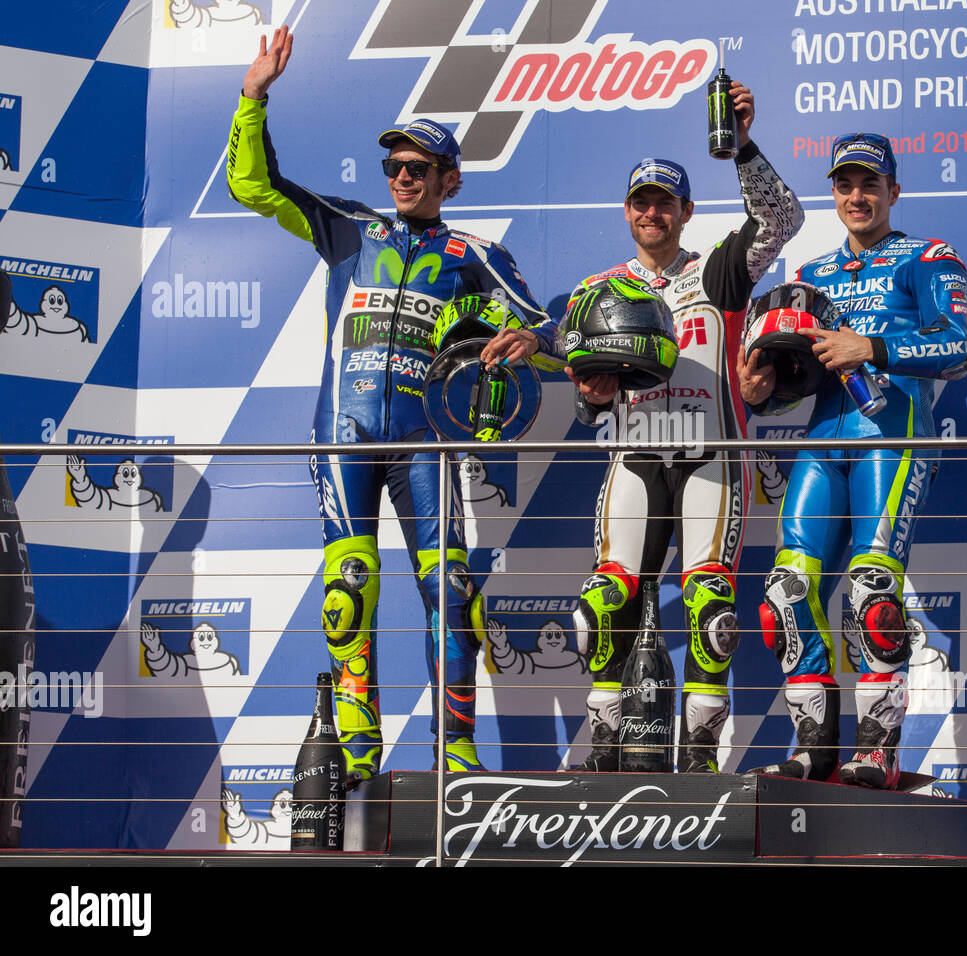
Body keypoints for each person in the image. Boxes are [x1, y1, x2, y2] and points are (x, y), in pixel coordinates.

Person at [228, 27, 560, 781]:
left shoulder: (473, 253)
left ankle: (459, 753)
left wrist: (525, 343)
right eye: (394, 166)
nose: (402, 177)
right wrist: (254, 95)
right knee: (348, 592)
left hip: (425, 441)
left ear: (450, 180)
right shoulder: (348, 226)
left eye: (418, 168)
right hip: (343, 433)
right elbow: (253, 186)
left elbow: (548, 325)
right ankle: (358, 759)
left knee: (451, 589)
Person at [566, 81, 803, 772]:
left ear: (685, 211)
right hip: (634, 455)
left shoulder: (720, 271)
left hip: (711, 456)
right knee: (607, 598)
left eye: (664, 203)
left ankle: (700, 759)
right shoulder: (597, 291)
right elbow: (590, 402)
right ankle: (605, 747)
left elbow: (783, 219)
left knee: (709, 606)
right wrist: (590, 397)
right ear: (627, 212)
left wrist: (745, 145)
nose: (652, 213)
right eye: (641, 202)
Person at [740, 133, 967, 788]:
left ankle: (877, 750)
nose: (857, 196)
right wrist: (761, 391)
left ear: (893, 192)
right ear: (834, 193)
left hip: (891, 438)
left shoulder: (928, 256)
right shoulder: (808, 276)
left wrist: (868, 346)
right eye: (845, 184)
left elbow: (959, 348)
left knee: (873, 593)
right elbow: (789, 377)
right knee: (785, 595)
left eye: (870, 184)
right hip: (821, 442)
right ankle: (816, 749)